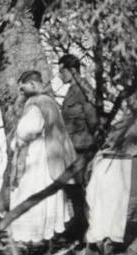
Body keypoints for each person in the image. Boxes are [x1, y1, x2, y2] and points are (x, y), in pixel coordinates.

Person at [9, 70, 76, 248]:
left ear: (32, 85)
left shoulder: (37, 103)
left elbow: (26, 131)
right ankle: (46, 239)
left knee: (31, 194)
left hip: (39, 157)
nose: (21, 92)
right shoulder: (50, 102)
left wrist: (15, 142)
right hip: (51, 155)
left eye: (23, 88)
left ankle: (34, 241)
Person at [59, 54, 98, 243]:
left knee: (86, 192)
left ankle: (91, 234)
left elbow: (93, 119)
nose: (59, 75)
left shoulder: (83, 90)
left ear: (72, 70)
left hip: (84, 148)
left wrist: (94, 145)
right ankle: (80, 229)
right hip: (72, 149)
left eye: (62, 71)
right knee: (74, 191)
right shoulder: (70, 92)